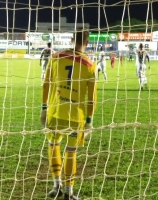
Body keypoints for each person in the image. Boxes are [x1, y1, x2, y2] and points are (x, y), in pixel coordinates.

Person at [41, 30, 97, 200]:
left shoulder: (56, 57)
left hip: (55, 112)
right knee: (71, 151)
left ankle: (56, 185)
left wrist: (43, 109)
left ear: (72, 40)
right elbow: (92, 98)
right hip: (75, 116)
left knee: (53, 145)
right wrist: (89, 121)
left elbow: (46, 83)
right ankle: (68, 192)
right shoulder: (90, 65)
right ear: (87, 43)